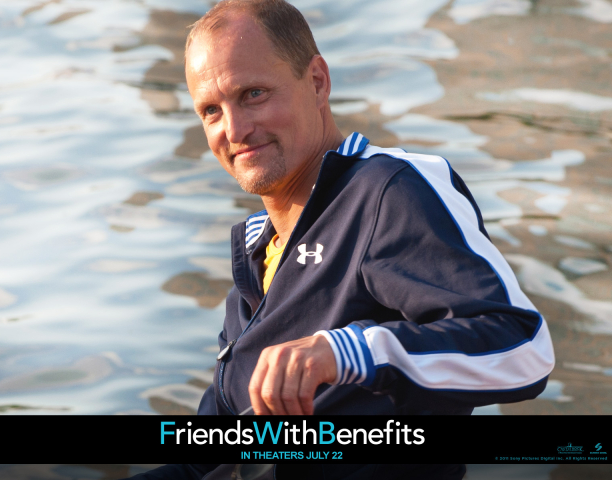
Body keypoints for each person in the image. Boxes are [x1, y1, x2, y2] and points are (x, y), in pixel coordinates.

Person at [127, 0, 555, 478]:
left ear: (317, 82)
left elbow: (524, 351)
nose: (235, 129)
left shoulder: (387, 191)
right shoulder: (256, 260)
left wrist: (345, 352)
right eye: (211, 110)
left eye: (253, 94)